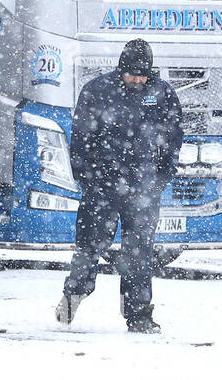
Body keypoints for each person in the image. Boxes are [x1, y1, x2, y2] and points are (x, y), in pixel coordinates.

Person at [55, 39, 184, 333]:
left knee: (139, 254)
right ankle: (74, 295)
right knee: (89, 246)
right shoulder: (97, 91)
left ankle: (139, 315)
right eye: (133, 73)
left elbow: (174, 136)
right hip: (101, 189)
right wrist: (89, 180)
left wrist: (161, 178)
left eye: (144, 74)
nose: (138, 79)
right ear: (121, 68)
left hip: (144, 191)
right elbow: (80, 141)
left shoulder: (161, 93)